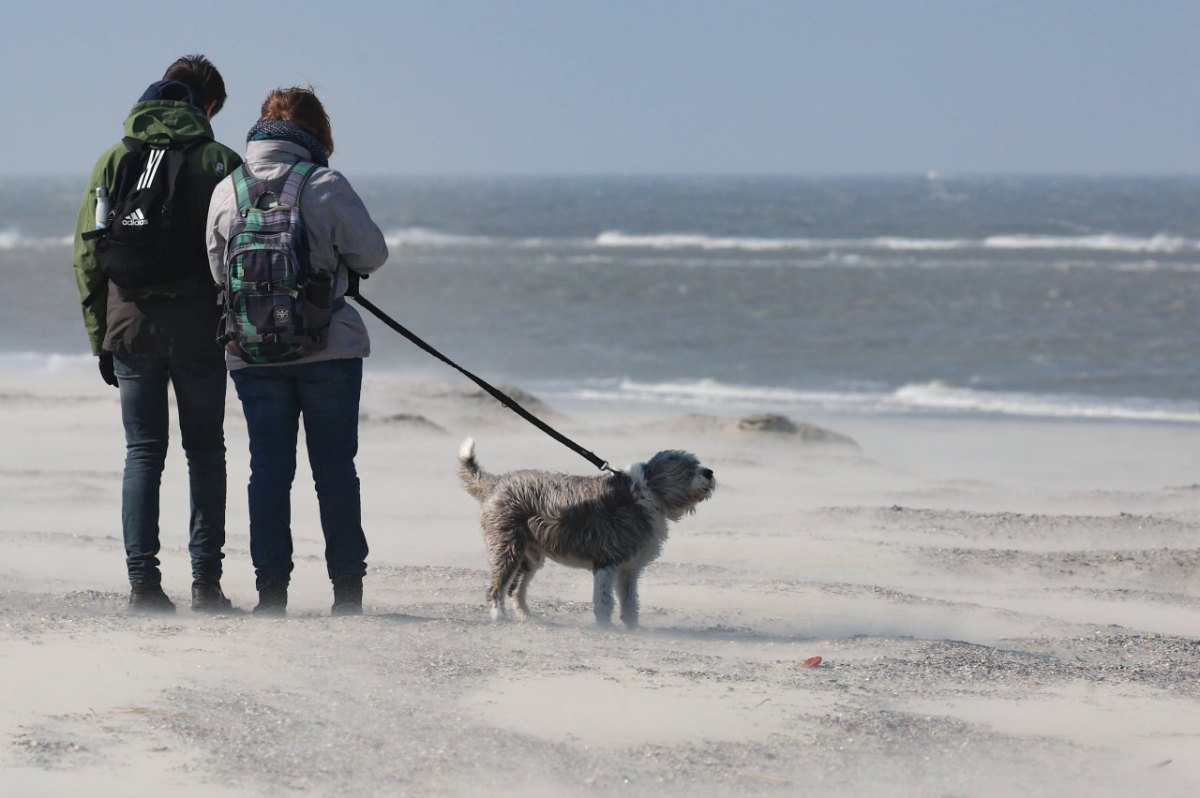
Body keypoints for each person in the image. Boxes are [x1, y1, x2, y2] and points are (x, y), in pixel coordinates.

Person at [206, 87, 388, 616]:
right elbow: (372, 253)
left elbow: (220, 272)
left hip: (252, 354)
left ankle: (271, 593)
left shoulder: (226, 190)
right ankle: (347, 593)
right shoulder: (325, 183)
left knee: (267, 469)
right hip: (328, 346)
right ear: (316, 134)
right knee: (334, 469)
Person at [72, 55, 242, 615]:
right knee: (205, 453)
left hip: (130, 326)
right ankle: (207, 586)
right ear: (207, 104)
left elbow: (89, 256)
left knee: (143, 453)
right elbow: (242, 251)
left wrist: (100, 335)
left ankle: (143, 586)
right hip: (200, 330)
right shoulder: (221, 160)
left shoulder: (115, 157)